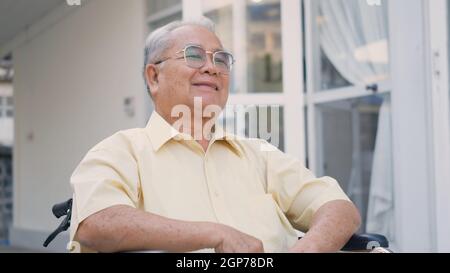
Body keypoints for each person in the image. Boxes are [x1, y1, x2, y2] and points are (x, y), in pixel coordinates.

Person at [69, 18, 361, 253]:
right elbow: (96, 224)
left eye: (221, 59)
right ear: (154, 77)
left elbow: (338, 206)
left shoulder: (259, 153)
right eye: (194, 55)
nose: (211, 67)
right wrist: (214, 234)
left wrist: (309, 248)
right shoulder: (119, 151)